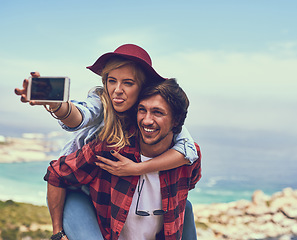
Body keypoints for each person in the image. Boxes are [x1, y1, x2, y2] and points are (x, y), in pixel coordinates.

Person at [15, 44, 199, 239]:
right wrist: (57, 105)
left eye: (128, 82)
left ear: (143, 87)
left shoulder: (159, 120)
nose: (117, 90)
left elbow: (189, 151)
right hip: (76, 186)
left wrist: (137, 169)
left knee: (185, 206)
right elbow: (80, 115)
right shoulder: (102, 103)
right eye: (112, 81)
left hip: (104, 190)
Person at [45, 78, 201, 240]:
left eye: (158, 112)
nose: (147, 120)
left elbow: (186, 191)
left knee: (187, 208)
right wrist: (58, 233)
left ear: (176, 120)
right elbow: (56, 174)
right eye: (142, 110)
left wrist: (139, 169)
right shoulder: (111, 149)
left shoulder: (187, 159)